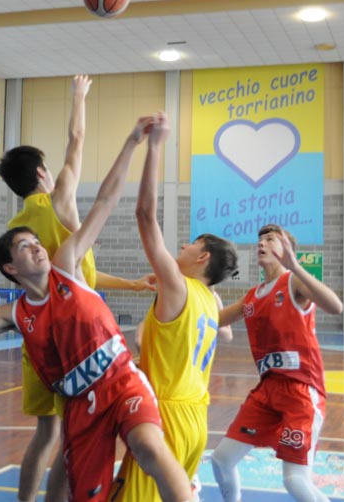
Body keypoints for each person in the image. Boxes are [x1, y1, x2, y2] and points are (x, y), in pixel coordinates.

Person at [0, 116, 194, 502]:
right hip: (81, 406)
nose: (36, 248)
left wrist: (131, 142)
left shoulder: (68, 265)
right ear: (11, 268)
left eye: (36, 242)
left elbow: (105, 200)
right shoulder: (14, 314)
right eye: (24, 247)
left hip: (122, 382)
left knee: (149, 448)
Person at [0, 74, 152, 502]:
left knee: (47, 433)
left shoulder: (16, 229)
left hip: (37, 337)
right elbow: (77, 140)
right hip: (76, 341)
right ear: (42, 173)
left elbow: (80, 276)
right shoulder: (58, 200)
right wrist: (79, 96)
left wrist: (132, 285)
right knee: (76, 433)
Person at [112, 111, 238, 501]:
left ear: (203, 258)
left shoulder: (179, 287)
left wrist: (154, 146)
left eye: (191, 243)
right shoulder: (210, 299)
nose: (182, 245)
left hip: (165, 416)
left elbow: (144, 215)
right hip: (196, 417)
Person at [210, 224, 343, 502]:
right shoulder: (252, 297)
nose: (262, 243)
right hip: (267, 391)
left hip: (300, 391)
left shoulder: (294, 282)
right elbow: (216, 320)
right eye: (260, 240)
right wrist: (204, 285)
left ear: (286, 249)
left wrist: (295, 266)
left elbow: (335, 306)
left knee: (294, 480)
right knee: (221, 459)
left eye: (270, 239)